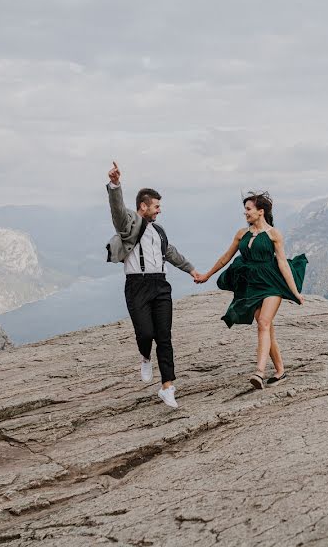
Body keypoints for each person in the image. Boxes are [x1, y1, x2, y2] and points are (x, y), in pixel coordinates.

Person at [105, 161, 202, 408]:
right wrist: (115, 185)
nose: (159, 211)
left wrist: (192, 270)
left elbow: (171, 253)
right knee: (145, 333)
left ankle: (167, 386)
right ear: (143, 206)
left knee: (164, 337)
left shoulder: (159, 231)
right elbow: (117, 212)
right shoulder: (129, 226)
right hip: (137, 286)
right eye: (156, 206)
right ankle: (145, 356)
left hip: (161, 285)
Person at [195, 192, 308, 389]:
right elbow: (225, 258)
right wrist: (207, 275)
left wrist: (295, 291)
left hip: (272, 282)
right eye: (245, 209)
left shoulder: (274, 234)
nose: (245, 213)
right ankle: (280, 371)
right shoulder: (241, 234)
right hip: (251, 285)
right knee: (267, 330)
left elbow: (282, 263)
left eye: (248, 209)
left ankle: (259, 373)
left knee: (263, 323)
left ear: (260, 212)